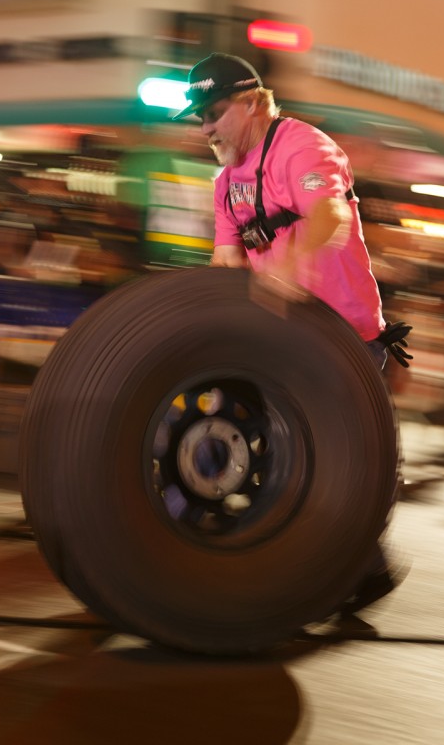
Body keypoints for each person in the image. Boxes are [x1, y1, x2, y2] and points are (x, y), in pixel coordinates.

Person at [174, 52, 411, 614]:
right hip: (282, 343)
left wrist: (287, 264)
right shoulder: (225, 184)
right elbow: (226, 264)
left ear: (253, 103)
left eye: (214, 112)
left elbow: (331, 219)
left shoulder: (303, 147)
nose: (205, 129)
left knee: (333, 462)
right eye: (200, 118)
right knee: (288, 455)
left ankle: (357, 567)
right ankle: (341, 570)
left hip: (346, 339)